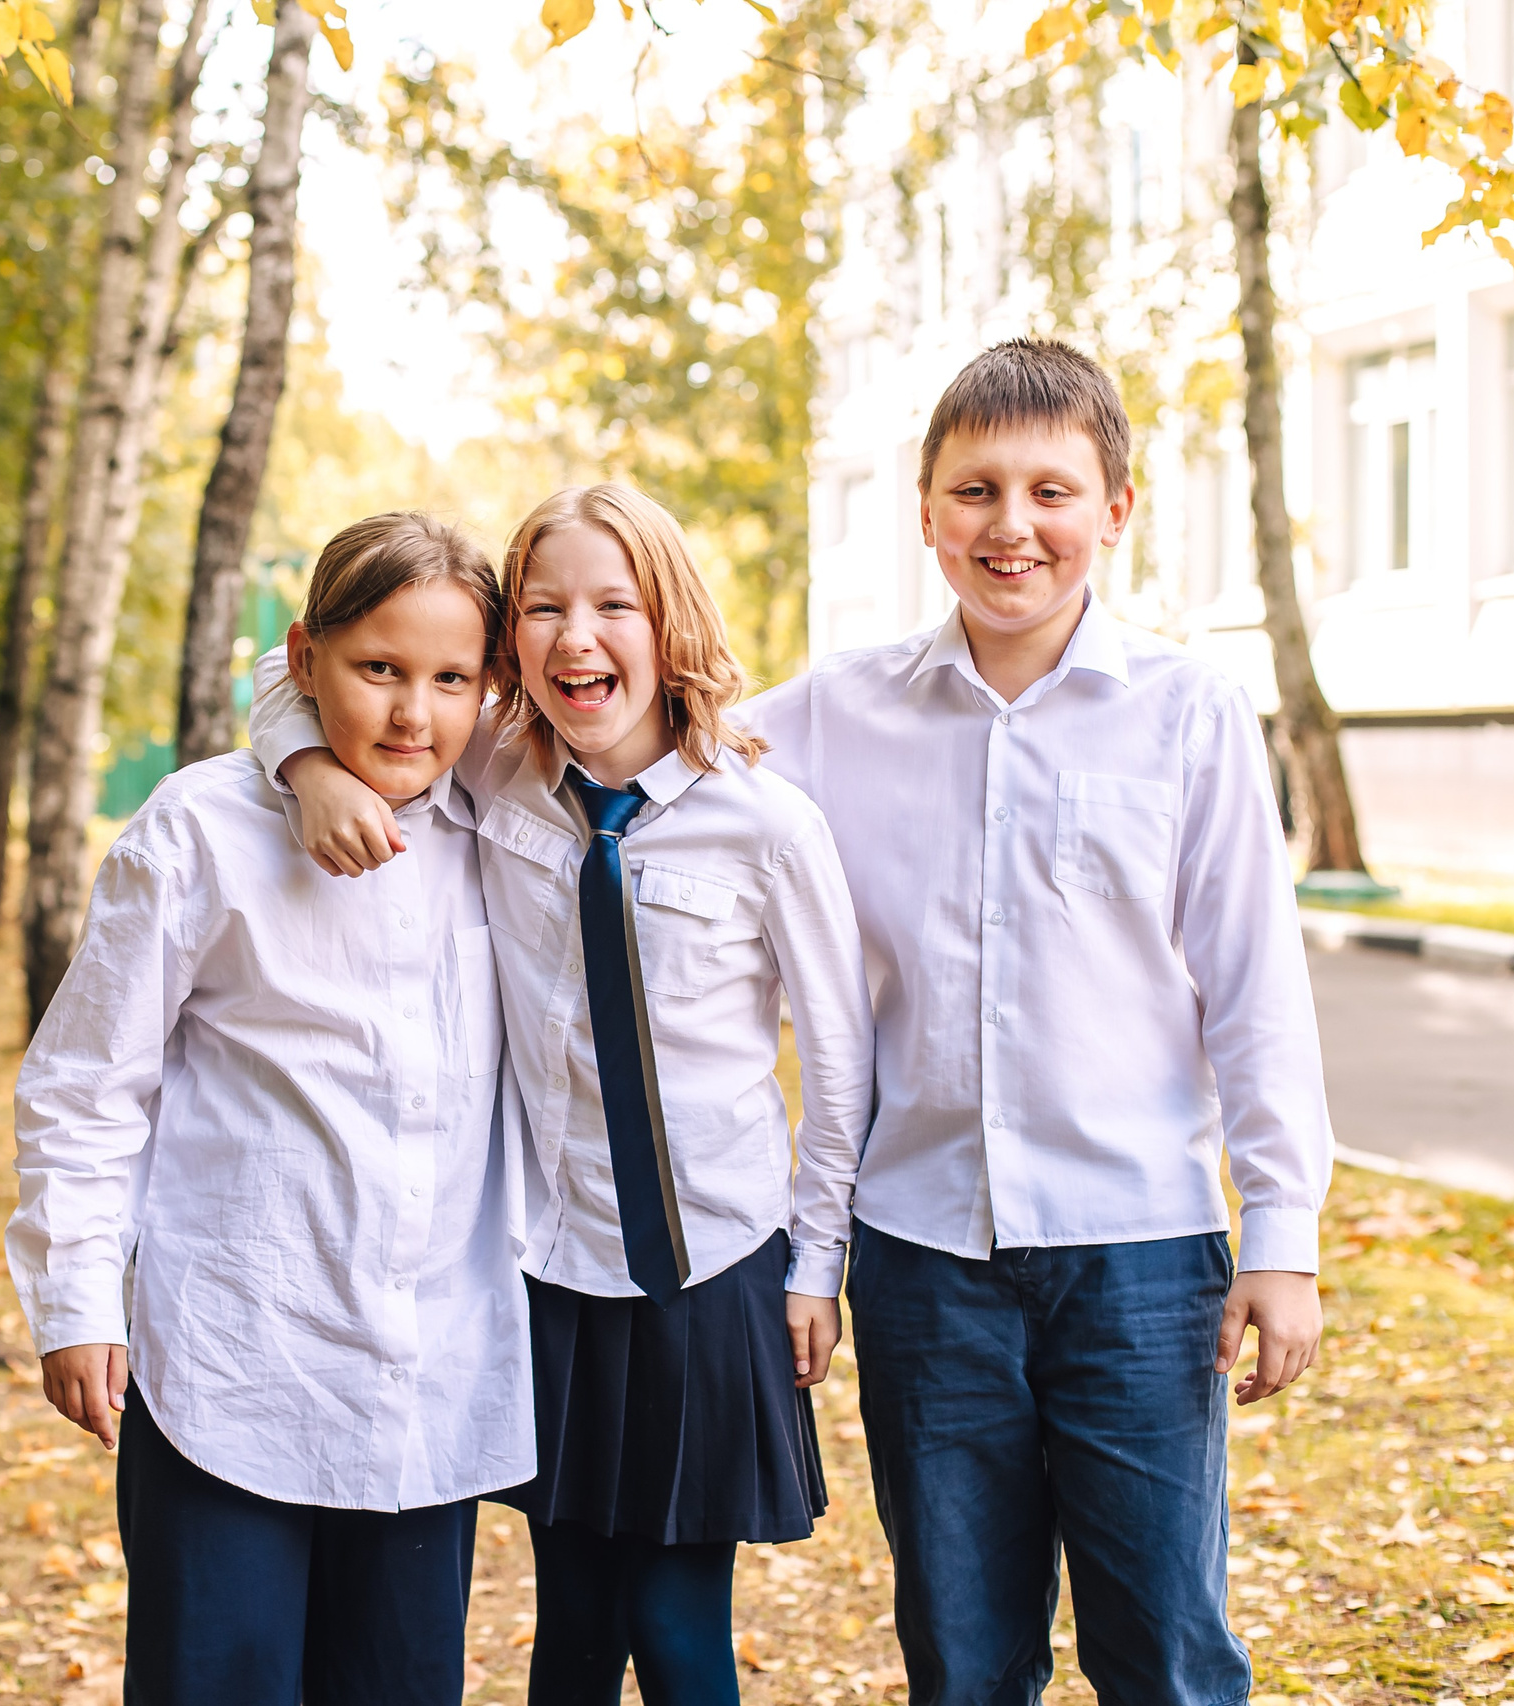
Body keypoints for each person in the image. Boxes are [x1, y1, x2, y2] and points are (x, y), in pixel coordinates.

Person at [737, 338, 1332, 1705]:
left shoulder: (1187, 715)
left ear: (1116, 510)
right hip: (925, 1261)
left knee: (1166, 1652)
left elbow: (1253, 987)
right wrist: (304, 732)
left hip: (1138, 1258)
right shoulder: (836, 710)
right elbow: (630, 734)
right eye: (977, 490)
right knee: (961, 1655)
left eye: (1052, 491)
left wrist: (1284, 1235)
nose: (1014, 526)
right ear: (930, 513)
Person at [254, 483, 872, 1705]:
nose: (575, 636)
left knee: (676, 1613)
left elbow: (844, 1063)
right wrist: (310, 766)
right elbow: (305, 677)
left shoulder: (766, 822)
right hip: (550, 1268)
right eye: (541, 608)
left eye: (612, 604)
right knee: (572, 1617)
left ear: (669, 620)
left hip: (713, 1264)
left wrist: (817, 1263)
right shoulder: (491, 768)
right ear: (506, 648)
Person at [6, 513, 531, 1706]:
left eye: (452, 680)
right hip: (232, 1362)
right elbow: (88, 1086)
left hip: (425, 1381)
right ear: (305, 659)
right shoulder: (199, 831)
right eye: (378, 671)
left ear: (489, 686)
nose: (414, 715)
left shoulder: (507, 815)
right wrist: (75, 1297)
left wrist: (306, 750)